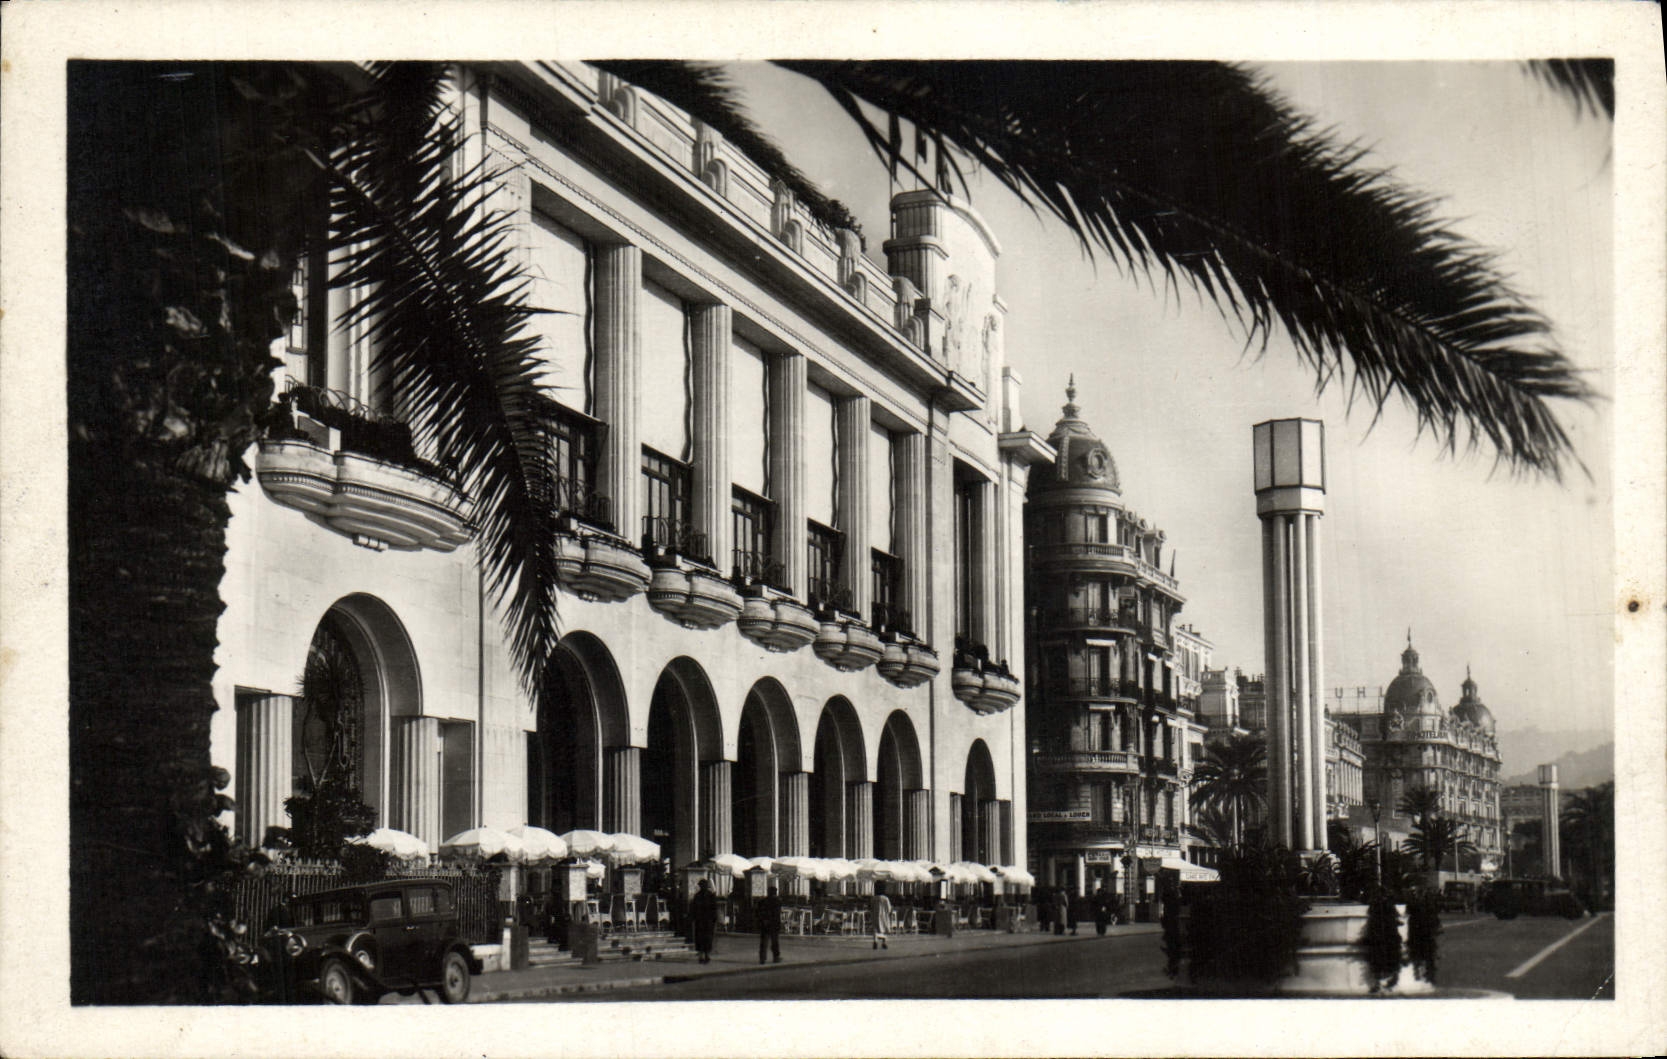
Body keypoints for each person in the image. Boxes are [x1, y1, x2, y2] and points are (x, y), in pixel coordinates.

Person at [689, 878, 719, 964]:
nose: (702, 887)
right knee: (703, 938)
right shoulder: (700, 896)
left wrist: (714, 918)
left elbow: (714, 908)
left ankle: (705, 955)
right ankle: (703, 955)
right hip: (703, 921)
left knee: (705, 938)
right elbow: (694, 908)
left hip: (705, 921)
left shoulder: (706, 896)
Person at [757, 884, 784, 964]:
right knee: (774, 942)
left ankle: (762, 958)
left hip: (765, 923)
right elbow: (777, 913)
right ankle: (776, 957)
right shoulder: (778, 901)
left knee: (764, 942)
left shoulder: (762, 901)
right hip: (774, 924)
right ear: (775, 893)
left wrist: (762, 920)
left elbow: (759, 911)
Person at [870, 885, 893, 950]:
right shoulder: (886, 898)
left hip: (875, 915)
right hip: (884, 915)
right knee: (884, 928)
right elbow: (889, 908)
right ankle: (884, 942)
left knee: (875, 928)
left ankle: (875, 940)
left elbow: (871, 907)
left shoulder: (873, 898)